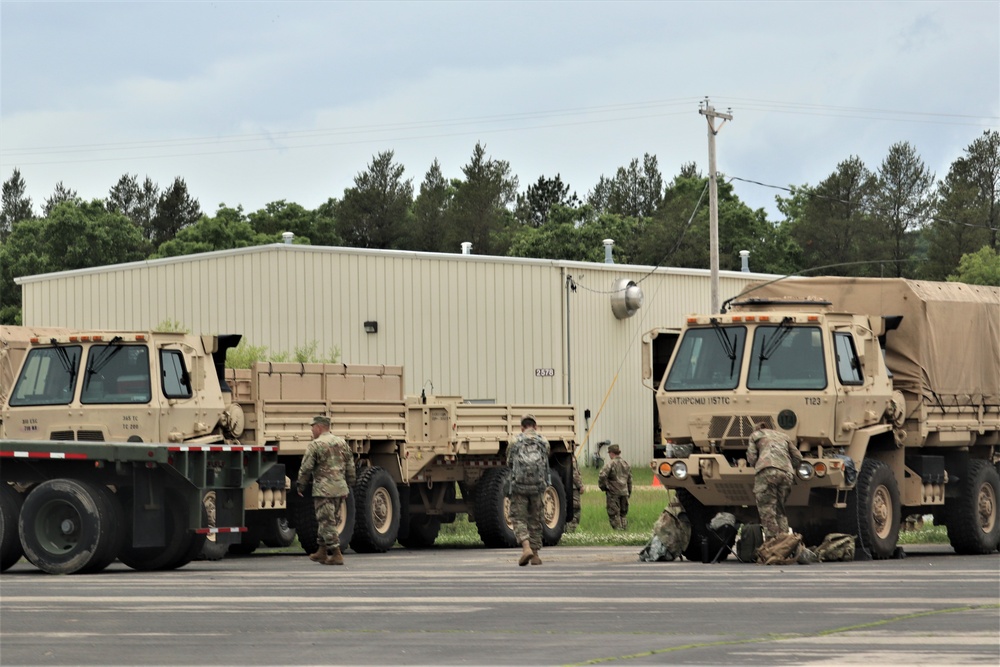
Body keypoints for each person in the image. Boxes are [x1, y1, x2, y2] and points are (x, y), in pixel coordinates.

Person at [296, 415, 356, 565]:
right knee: (329, 519)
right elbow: (350, 466)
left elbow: (306, 468)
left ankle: (336, 553)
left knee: (326, 520)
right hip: (339, 488)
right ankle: (322, 551)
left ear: (319, 427)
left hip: (323, 490)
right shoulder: (342, 443)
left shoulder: (315, 445)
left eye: (312, 427)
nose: (311, 430)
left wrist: (300, 485)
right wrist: (349, 484)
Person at [506, 414, 550, 566]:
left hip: (519, 487)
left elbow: (509, 462)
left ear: (522, 427)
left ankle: (526, 548)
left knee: (519, 518)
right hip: (538, 486)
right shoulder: (543, 441)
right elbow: (546, 461)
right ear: (535, 426)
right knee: (536, 519)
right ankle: (536, 555)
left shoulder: (514, 441)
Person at [746, 422, 802, 540]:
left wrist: (759, 465)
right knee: (780, 510)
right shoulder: (783, 436)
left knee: (767, 510)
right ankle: (785, 543)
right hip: (787, 474)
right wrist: (787, 466)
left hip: (767, 472)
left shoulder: (755, 435)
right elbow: (798, 457)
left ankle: (772, 544)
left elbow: (752, 457)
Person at [599, 444, 632, 530]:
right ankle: (624, 531)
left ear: (611, 453)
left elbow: (602, 476)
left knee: (614, 514)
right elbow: (629, 480)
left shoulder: (610, 464)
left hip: (613, 492)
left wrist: (604, 487)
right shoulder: (626, 464)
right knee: (623, 514)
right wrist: (629, 492)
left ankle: (618, 532)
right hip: (624, 492)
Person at [565, 453, 583, 533]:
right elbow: (574, 473)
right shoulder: (571, 458)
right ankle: (571, 530)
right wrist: (580, 485)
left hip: (568, 486)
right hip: (573, 488)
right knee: (576, 509)